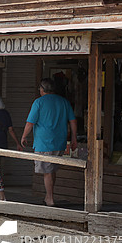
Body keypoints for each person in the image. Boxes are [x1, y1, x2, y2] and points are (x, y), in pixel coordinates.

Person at [21, 78, 77, 207]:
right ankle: (48, 196)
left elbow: (30, 123)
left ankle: (50, 199)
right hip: (60, 142)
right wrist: (74, 138)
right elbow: (73, 121)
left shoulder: (38, 102)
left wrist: (24, 136)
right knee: (52, 170)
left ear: (42, 89)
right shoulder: (64, 101)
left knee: (47, 172)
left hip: (43, 142)